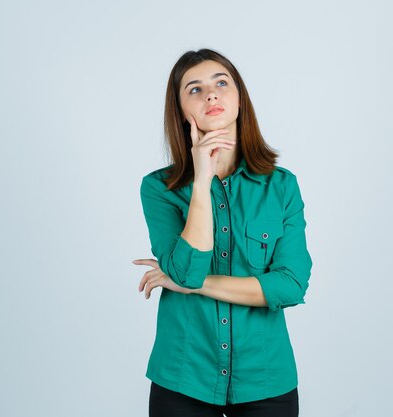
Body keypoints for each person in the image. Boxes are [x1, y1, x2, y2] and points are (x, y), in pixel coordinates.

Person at [132, 48, 313, 417]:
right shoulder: (158, 189)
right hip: (183, 379)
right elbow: (187, 269)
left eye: (221, 83)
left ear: (239, 98)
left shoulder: (281, 187)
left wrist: (189, 285)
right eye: (194, 89)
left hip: (266, 380)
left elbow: (291, 285)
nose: (210, 94)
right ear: (181, 111)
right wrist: (201, 180)